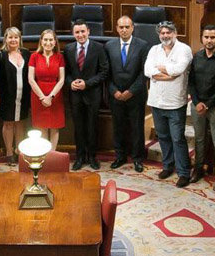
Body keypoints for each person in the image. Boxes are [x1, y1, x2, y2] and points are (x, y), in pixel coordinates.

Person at [144, 21, 194, 187]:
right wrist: (167, 73)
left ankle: (183, 172)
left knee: (178, 138)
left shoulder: (184, 49)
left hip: (175, 103)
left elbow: (178, 70)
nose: (165, 36)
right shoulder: (154, 49)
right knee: (163, 136)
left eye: (168, 33)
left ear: (175, 33)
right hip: (156, 101)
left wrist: (160, 71)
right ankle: (168, 165)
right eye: (162, 33)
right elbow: (147, 70)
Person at [188, 25, 215, 190]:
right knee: (199, 139)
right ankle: (198, 169)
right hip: (197, 105)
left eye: (212, 37)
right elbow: (191, 81)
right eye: (206, 37)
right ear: (202, 38)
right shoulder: (197, 56)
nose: (209, 40)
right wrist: (197, 101)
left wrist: (207, 104)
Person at [105, 16, 149, 172]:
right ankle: (120, 156)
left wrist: (131, 91)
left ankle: (137, 158)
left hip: (135, 95)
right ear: (116, 28)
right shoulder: (109, 46)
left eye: (127, 27)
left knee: (137, 127)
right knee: (118, 127)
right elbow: (106, 72)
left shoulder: (143, 45)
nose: (124, 30)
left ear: (132, 28)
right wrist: (114, 91)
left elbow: (145, 72)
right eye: (121, 27)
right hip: (115, 94)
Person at [64, 19, 109, 170]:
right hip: (75, 95)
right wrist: (70, 82)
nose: (80, 35)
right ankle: (80, 157)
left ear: (88, 31)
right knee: (78, 128)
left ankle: (92, 157)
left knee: (92, 127)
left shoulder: (98, 48)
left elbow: (104, 72)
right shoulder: (69, 49)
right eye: (77, 32)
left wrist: (87, 84)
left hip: (93, 94)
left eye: (83, 31)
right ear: (73, 33)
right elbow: (67, 73)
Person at [0, 27, 31, 164]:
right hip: (6, 95)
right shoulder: (1, 55)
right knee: (9, 123)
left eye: (16, 37)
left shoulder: (26, 53)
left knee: (21, 123)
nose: (13, 40)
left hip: (23, 95)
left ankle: (19, 151)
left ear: (19, 39)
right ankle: (9, 152)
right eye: (10, 37)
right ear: (6, 39)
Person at [28, 29, 65, 150]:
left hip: (55, 95)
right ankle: (44, 154)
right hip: (38, 95)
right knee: (41, 126)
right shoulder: (34, 56)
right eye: (45, 39)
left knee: (55, 127)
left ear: (55, 42)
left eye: (51, 40)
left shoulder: (59, 57)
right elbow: (31, 79)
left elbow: (61, 79)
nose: (48, 42)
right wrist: (42, 97)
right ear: (41, 41)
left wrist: (51, 97)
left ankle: (52, 154)